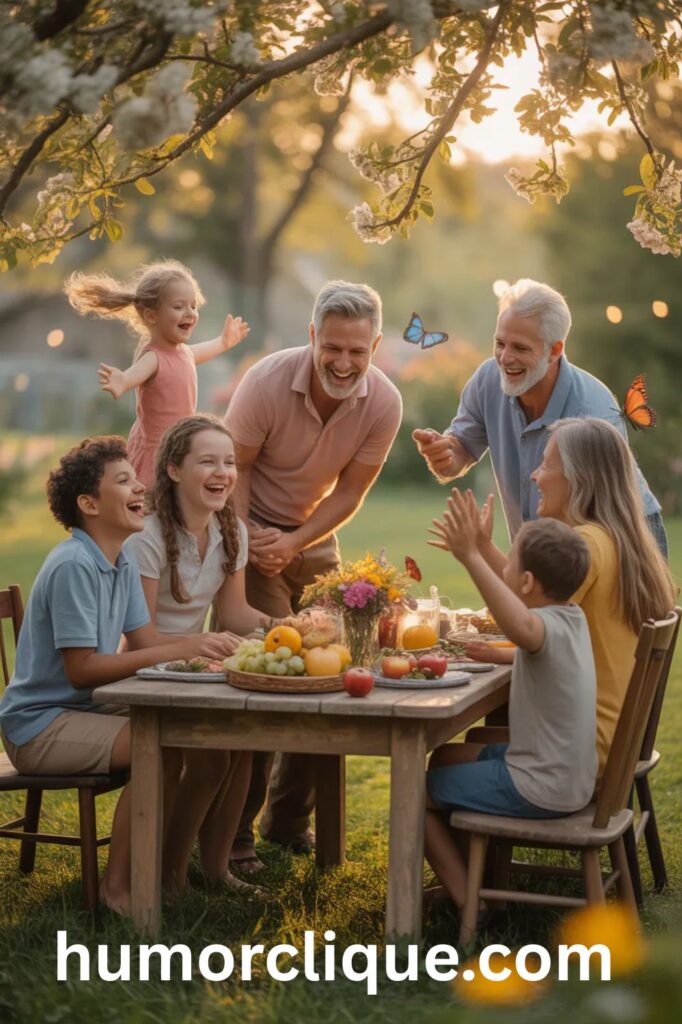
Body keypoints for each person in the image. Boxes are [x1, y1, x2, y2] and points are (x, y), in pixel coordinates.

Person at [0, 437, 235, 914]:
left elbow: (145, 642)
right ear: (89, 504)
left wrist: (203, 659)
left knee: (201, 733)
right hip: (39, 725)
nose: (140, 486)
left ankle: (165, 873)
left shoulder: (122, 555)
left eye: (136, 476)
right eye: (124, 480)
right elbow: (83, 669)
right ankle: (120, 890)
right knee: (159, 744)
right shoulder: (73, 564)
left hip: (82, 709)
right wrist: (188, 645)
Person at [224, 279, 402, 872]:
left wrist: (298, 540)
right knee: (265, 679)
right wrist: (251, 541)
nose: (344, 362)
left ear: (375, 345)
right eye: (333, 348)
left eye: (358, 350)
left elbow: (351, 490)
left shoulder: (384, 402)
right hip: (248, 527)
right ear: (312, 337)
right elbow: (234, 468)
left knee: (330, 670)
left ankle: (288, 821)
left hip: (315, 535)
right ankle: (235, 837)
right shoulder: (266, 382)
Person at [465, 418, 676, 775]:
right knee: (473, 744)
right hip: (611, 743)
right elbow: (529, 592)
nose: (535, 476)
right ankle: (500, 830)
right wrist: (484, 545)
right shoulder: (617, 540)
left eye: (546, 464)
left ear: (580, 478)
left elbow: (521, 607)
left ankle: (494, 826)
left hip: (580, 749)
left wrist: (473, 553)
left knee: (441, 770)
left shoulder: (588, 546)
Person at [424, 492, 597, 910]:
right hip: (569, 776)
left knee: (413, 791)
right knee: (445, 756)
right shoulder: (570, 615)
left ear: (526, 584)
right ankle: (470, 877)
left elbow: (519, 622)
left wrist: (470, 556)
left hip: (539, 785)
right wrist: (483, 545)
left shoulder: (535, 627)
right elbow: (529, 628)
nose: (506, 567)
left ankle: (470, 902)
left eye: (511, 562)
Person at [124, 414, 273, 893]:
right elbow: (141, 639)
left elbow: (233, 615)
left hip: (194, 667)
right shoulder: (144, 536)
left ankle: (214, 868)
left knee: (243, 741)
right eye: (207, 462)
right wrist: (197, 645)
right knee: (211, 757)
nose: (223, 473)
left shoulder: (233, 532)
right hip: (142, 673)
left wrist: (285, 627)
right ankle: (169, 873)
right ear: (172, 470)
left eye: (229, 463)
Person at [412, 278, 667, 556]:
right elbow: (460, 448)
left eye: (520, 348)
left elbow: (597, 517)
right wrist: (445, 456)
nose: (505, 358)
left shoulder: (591, 411)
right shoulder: (487, 380)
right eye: (500, 343)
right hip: (548, 548)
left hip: (621, 536)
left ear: (555, 350)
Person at [65, 259, 249, 489]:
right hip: (157, 450)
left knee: (177, 499)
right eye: (179, 307)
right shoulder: (153, 356)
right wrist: (122, 381)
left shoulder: (181, 352)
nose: (190, 313)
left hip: (179, 445)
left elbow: (198, 353)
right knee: (152, 503)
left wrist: (223, 342)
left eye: (193, 306)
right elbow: (136, 374)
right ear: (152, 316)